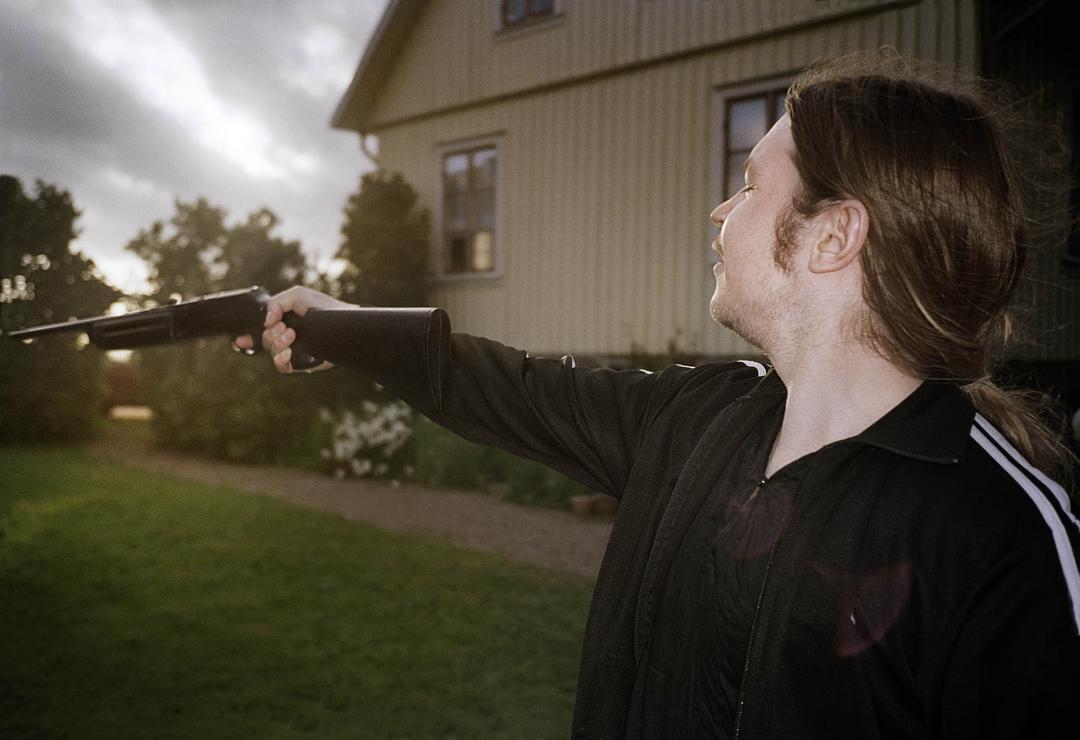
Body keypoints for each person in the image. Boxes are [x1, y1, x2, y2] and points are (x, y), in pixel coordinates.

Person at [238, 51, 1080, 738]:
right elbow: (493, 384)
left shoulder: (1003, 537)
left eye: (750, 185)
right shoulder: (695, 419)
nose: (720, 211)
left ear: (833, 236)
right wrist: (339, 326)